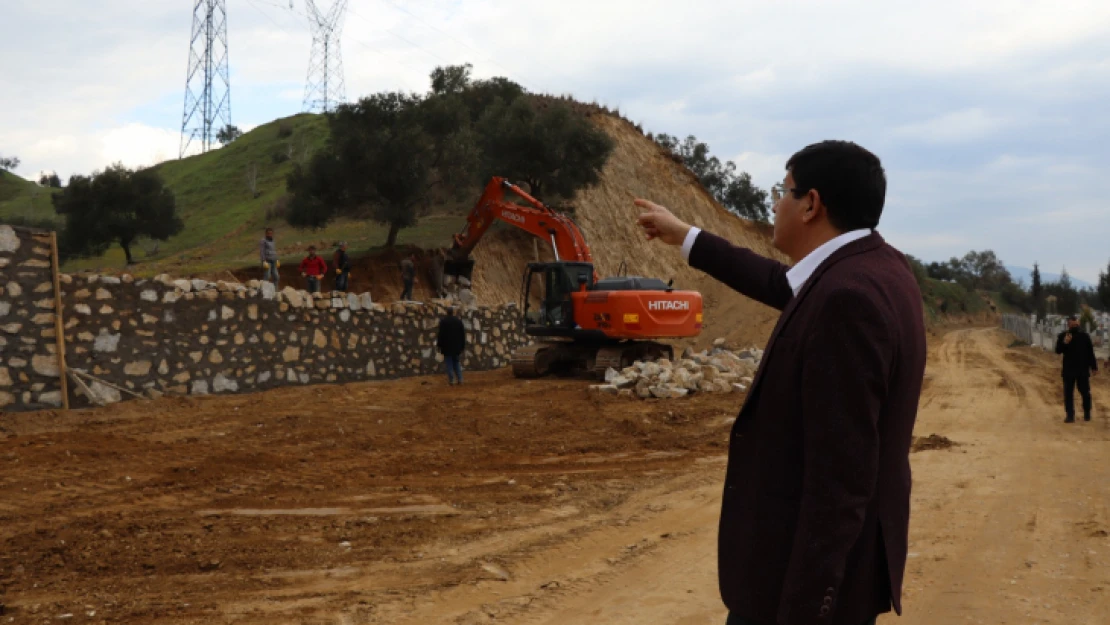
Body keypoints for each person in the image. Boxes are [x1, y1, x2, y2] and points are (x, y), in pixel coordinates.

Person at [636, 140, 926, 625]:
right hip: (831, 576)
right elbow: (780, 284)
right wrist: (685, 235)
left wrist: (806, 608)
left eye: (781, 190)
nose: (774, 203)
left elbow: (841, 482)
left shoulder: (846, 300)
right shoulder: (876, 268)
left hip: (803, 586)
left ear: (811, 204)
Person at [1055, 315, 1098, 422]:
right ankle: (1070, 415)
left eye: (1076, 324)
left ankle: (1087, 412)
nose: (1074, 326)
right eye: (1072, 324)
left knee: (1085, 392)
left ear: (1079, 324)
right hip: (1069, 370)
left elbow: (1090, 353)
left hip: (1082, 369)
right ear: (1068, 325)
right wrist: (1065, 342)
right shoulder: (1063, 336)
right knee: (1068, 393)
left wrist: (1094, 367)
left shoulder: (1084, 336)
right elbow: (1058, 350)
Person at [436, 307, 466, 385]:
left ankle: (452, 380)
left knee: (449, 363)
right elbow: (462, 335)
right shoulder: (458, 321)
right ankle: (460, 379)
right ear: (453, 312)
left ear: (447, 312)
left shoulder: (443, 322)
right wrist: (462, 346)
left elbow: (441, 335)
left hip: (447, 347)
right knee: (456, 362)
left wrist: (439, 345)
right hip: (456, 346)